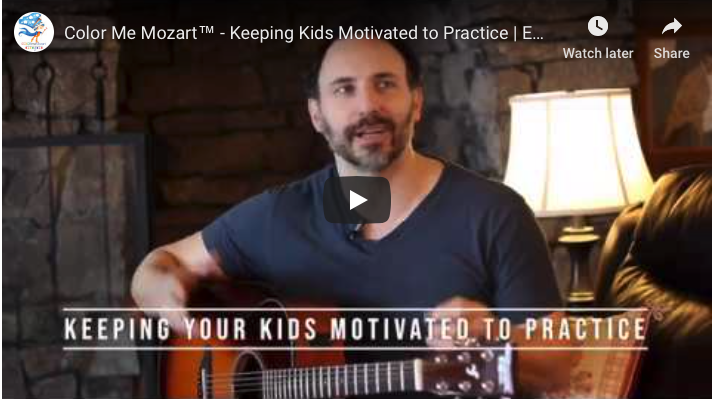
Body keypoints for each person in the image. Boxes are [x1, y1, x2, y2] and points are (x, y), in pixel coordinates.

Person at [132, 37, 575, 395]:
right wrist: (166, 300)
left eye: (385, 84)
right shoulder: (277, 216)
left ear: (415, 102)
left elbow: (557, 368)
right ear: (316, 114)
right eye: (344, 89)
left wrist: (496, 341)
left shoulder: (494, 213)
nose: (368, 107)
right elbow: (160, 265)